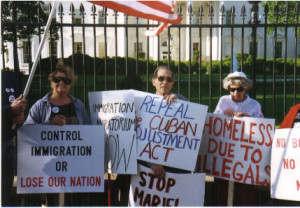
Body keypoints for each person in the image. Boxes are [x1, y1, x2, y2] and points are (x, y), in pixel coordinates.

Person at [24, 61, 90, 206]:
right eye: (57, 79)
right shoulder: (40, 106)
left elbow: (88, 132)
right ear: (51, 82)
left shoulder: (78, 105)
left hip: (74, 167)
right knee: (50, 201)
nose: (61, 82)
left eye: (66, 80)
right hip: (47, 167)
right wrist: (49, 124)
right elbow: (26, 132)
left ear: (70, 83)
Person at [213, 71, 263, 206]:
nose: (236, 92)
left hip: (246, 154)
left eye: (239, 89)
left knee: (244, 190)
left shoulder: (254, 104)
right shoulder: (223, 101)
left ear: (246, 88)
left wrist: (248, 118)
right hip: (226, 151)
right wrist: (223, 114)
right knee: (222, 188)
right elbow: (214, 123)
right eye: (232, 89)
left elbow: (263, 128)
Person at [2, 70, 27, 206]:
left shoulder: (10, 78)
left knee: (5, 195)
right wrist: (9, 110)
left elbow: (16, 112)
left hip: (7, 145)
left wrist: (18, 118)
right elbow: (10, 109)